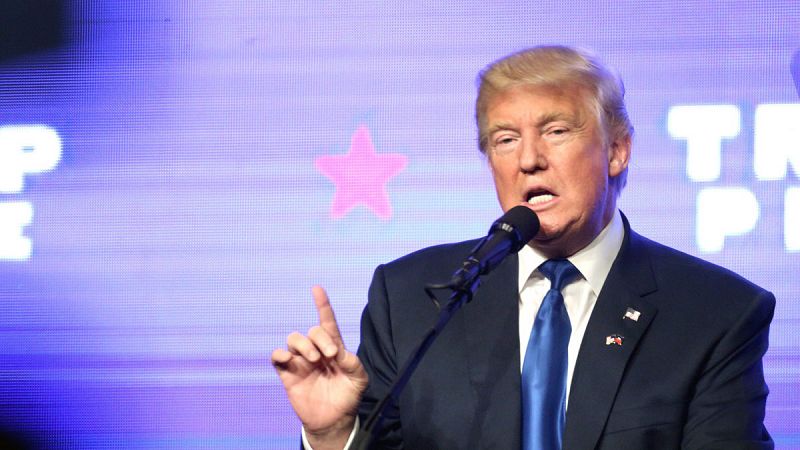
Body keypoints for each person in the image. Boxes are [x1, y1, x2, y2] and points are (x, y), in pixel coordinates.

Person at [272, 45, 775, 449]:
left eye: (556, 131)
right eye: (505, 139)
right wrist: (331, 436)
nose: (529, 159)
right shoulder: (410, 298)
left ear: (617, 150)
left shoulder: (716, 313)